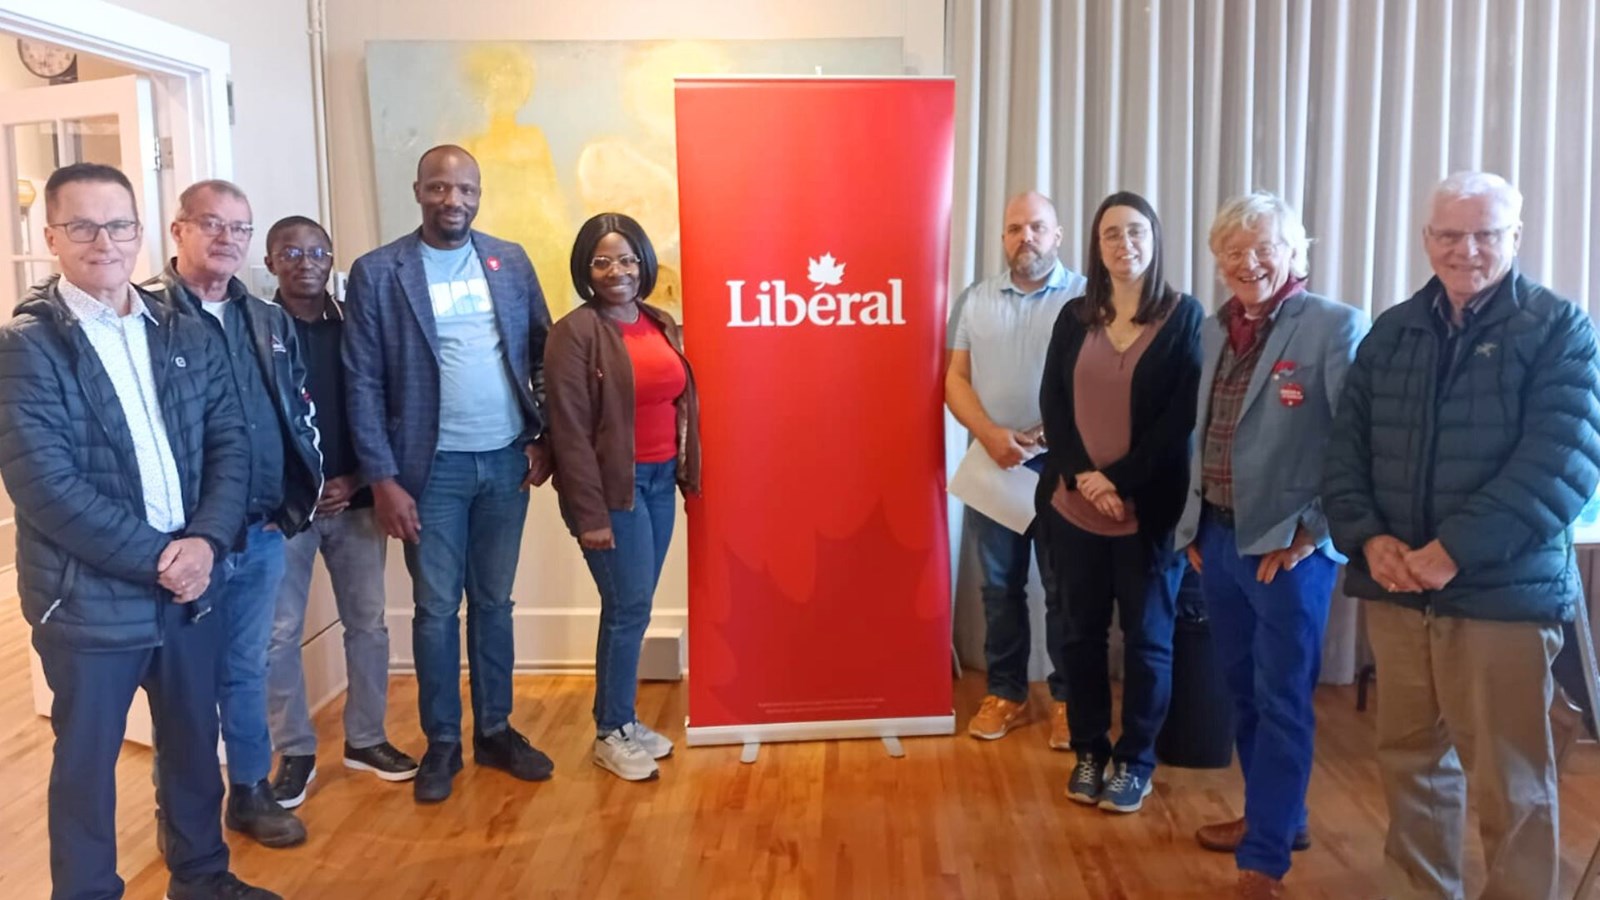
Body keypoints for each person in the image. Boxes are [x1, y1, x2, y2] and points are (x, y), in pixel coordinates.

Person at [0, 162, 278, 898]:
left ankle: (202, 879)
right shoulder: (26, 346)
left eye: (119, 224)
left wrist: (206, 543)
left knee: (191, 748)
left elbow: (230, 443)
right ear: (52, 237)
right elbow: (44, 485)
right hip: (89, 600)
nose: (105, 242)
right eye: (83, 226)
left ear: (140, 230)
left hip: (189, 588)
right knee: (86, 769)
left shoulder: (179, 327)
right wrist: (162, 557)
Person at [1323, 171, 1600, 900]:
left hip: (1500, 598)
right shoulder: (1392, 332)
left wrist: (1454, 552)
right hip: (1397, 590)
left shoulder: (1560, 328)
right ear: (1427, 239)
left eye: (1484, 235)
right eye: (1450, 234)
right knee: (1410, 764)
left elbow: (1562, 464)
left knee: (1512, 782)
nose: (1466, 250)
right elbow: (1344, 453)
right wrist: (1368, 540)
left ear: (1515, 236)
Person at [344, 144, 556, 804]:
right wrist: (383, 478)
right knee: (436, 608)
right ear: (417, 191)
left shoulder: (509, 261)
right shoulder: (379, 272)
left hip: (504, 461)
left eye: (465, 189)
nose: (453, 200)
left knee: (494, 603)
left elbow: (543, 350)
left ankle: (495, 730)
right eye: (439, 187)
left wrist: (543, 435)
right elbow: (361, 382)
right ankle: (442, 741)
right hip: (428, 472)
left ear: (479, 194)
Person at [1173, 192, 1367, 900]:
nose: (1248, 262)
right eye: (1233, 250)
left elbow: (1356, 443)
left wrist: (1314, 532)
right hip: (1218, 541)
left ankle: (1265, 859)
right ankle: (1276, 817)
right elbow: (1201, 434)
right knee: (1243, 694)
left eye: (1263, 248)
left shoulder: (1335, 326)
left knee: (1282, 699)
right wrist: (1193, 528)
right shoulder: (1212, 329)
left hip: (1287, 553)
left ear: (1294, 253)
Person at [145, 179, 322, 849]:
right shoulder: (145, 317)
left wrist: (298, 495)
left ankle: (250, 792)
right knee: (184, 685)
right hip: (188, 543)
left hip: (262, 533)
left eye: (239, 228)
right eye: (211, 224)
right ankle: (184, 817)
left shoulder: (268, 319)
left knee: (246, 670)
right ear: (179, 231)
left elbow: (297, 412)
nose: (227, 238)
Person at [1038, 190, 1202, 814]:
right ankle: (1089, 750)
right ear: (1095, 246)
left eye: (1136, 231)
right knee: (1079, 637)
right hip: (1074, 510)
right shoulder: (1075, 315)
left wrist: (1120, 483)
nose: (1124, 243)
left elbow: (1178, 419)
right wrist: (1085, 477)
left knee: (1147, 643)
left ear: (1154, 239)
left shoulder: (1184, 316)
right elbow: (1053, 403)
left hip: (1147, 516)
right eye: (1111, 233)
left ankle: (1136, 761)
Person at [262, 216, 419, 809]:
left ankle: (366, 738)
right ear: (271, 263)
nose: (305, 263)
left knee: (368, 624)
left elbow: (389, 409)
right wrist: (299, 485)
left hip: (356, 501)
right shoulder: (256, 330)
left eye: (317, 252)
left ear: (333, 261)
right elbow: (248, 425)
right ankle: (295, 751)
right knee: (278, 635)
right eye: (290, 253)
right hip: (286, 510)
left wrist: (358, 478)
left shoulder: (359, 325)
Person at [544, 212, 701, 782]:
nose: (618, 271)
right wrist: (591, 516)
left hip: (659, 484)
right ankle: (610, 731)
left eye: (628, 259)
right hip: (615, 491)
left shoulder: (658, 322)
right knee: (627, 607)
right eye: (603, 261)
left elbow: (678, 402)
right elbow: (568, 432)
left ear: (644, 264)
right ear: (586, 269)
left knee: (636, 606)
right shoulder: (574, 333)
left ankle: (625, 721)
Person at [945, 191, 1087, 747]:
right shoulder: (974, 300)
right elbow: (955, 379)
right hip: (996, 461)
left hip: (1065, 465)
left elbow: (1103, 379)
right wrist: (990, 434)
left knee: (1064, 587)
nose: (1025, 237)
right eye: (1014, 229)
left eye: (1036, 227)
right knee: (999, 586)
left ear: (1057, 235)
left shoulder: (1086, 298)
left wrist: (1047, 434)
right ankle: (1005, 691)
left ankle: (1069, 698)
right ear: (1003, 238)